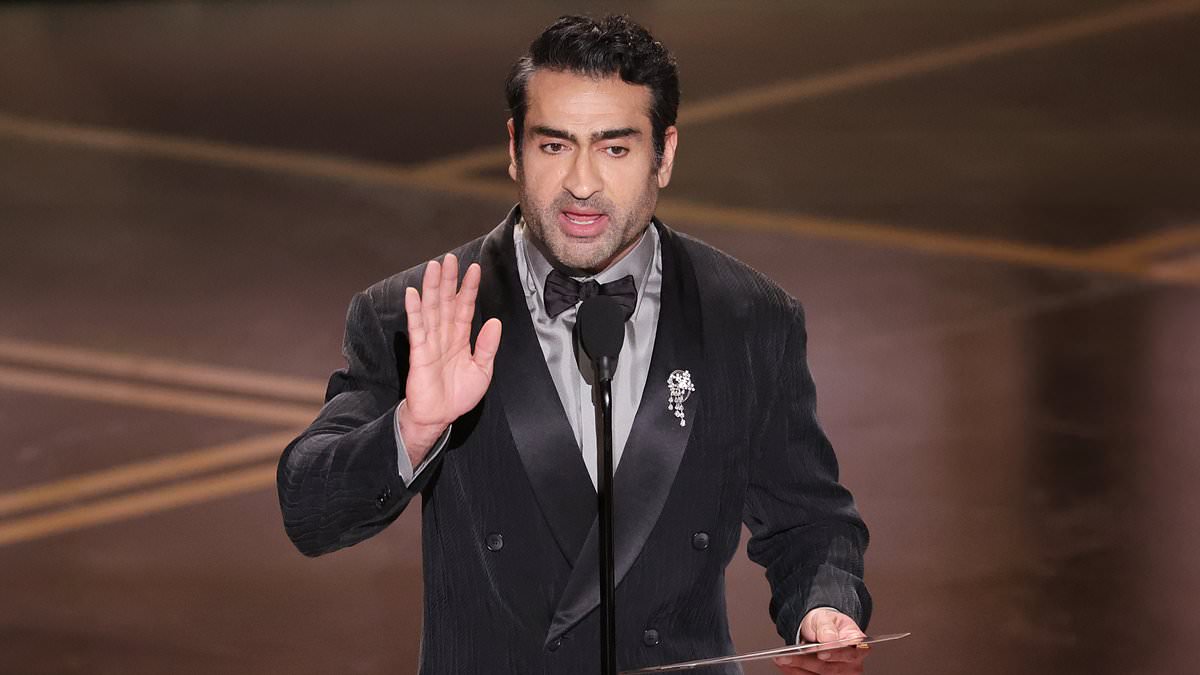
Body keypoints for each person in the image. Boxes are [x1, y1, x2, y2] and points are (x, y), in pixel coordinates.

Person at [277, 14, 871, 675]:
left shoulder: (749, 317)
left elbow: (810, 520)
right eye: (555, 146)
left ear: (664, 155)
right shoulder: (423, 312)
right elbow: (309, 512)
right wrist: (413, 429)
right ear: (514, 148)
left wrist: (824, 604)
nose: (582, 184)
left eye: (615, 149)